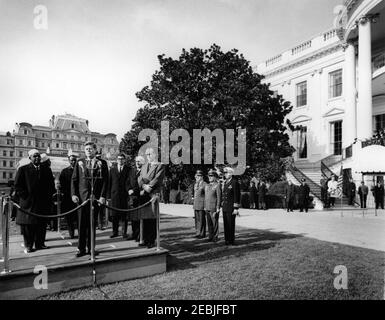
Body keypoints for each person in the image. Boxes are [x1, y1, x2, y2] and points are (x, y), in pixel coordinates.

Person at [71, 142, 108, 258]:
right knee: (82, 224)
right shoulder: (79, 162)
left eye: (91, 149)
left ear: (95, 150)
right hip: (82, 199)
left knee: (92, 224)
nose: (88, 151)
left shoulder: (102, 163)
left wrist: (102, 196)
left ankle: (91, 248)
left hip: (96, 198)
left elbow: (106, 181)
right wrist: (73, 194)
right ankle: (81, 248)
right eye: (86, 149)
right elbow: (74, 180)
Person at [14, 149, 55, 253]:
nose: (37, 158)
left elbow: (51, 185)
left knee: (41, 224)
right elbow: (18, 186)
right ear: (30, 158)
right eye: (34, 156)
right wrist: (26, 197)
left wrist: (49, 196)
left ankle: (40, 244)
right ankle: (28, 245)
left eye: (38, 156)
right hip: (29, 204)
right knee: (29, 226)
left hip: (42, 203)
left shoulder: (46, 169)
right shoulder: (23, 169)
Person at [138, 148, 165, 248]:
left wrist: (149, 187)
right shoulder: (144, 166)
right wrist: (144, 186)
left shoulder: (160, 165)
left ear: (155, 154)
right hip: (144, 194)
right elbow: (140, 178)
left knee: (152, 218)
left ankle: (151, 240)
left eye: (150, 154)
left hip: (153, 194)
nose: (148, 156)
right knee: (145, 218)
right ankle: (144, 239)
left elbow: (157, 178)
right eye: (146, 154)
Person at [107, 153, 132, 239]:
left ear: (124, 160)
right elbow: (109, 182)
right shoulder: (112, 169)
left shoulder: (128, 169)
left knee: (124, 215)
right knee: (114, 215)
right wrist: (108, 196)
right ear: (117, 160)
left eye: (122, 159)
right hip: (114, 195)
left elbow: (129, 181)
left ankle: (124, 233)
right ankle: (115, 232)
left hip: (124, 195)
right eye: (119, 159)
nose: (120, 160)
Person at [59, 155, 78, 239]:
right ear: (69, 161)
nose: (73, 162)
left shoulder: (79, 170)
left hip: (78, 197)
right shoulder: (64, 171)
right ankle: (71, 233)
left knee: (78, 217)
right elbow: (61, 184)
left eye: (74, 160)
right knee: (69, 217)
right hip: (68, 197)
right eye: (71, 160)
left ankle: (80, 232)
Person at [221, 167, 240, 246]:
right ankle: (227, 240)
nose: (225, 174)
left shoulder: (234, 182)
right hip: (225, 207)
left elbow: (237, 195)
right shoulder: (225, 182)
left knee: (231, 224)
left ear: (230, 173)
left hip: (231, 207)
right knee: (226, 224)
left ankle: (231, 240)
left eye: (226, 173)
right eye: (224, 173)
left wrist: (236, 208)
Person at [204, 169, 222, 242]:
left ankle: (215, 236)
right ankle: (210, 236)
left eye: (211, 176)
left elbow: (219, 197)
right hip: (207, 207)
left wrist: (218, 207)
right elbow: (206, 197)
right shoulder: (207, 185)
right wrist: (205, 206)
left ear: (215, 177)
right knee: (209, 223)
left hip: (214, 207)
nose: (209, 177)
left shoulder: (217, 185)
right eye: (209, 176)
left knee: (215, 223)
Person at [131, 155, 145, 242]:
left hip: (141, 196)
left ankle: (140, 236)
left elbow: (141, 184)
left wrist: (133, 190)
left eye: (139, 161)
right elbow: (128, 181)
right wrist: (129, 189)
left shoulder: (144, 171)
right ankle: (134, 234)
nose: (137, 163)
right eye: (136, 161)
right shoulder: (132, 171)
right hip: (133, 197)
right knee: (134, 218)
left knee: (140, 218)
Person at [192, 170, 207, 239]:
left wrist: (205, 206)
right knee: (197, 220)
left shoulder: (204, 184)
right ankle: (197, 232)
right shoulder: (195, 184)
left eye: (198, 176)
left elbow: (206, 196)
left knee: (201, 220)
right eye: (197, 176)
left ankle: (202, 233)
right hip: (196, 205)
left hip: (201, 205)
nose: (197, 177)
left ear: (202, 177)